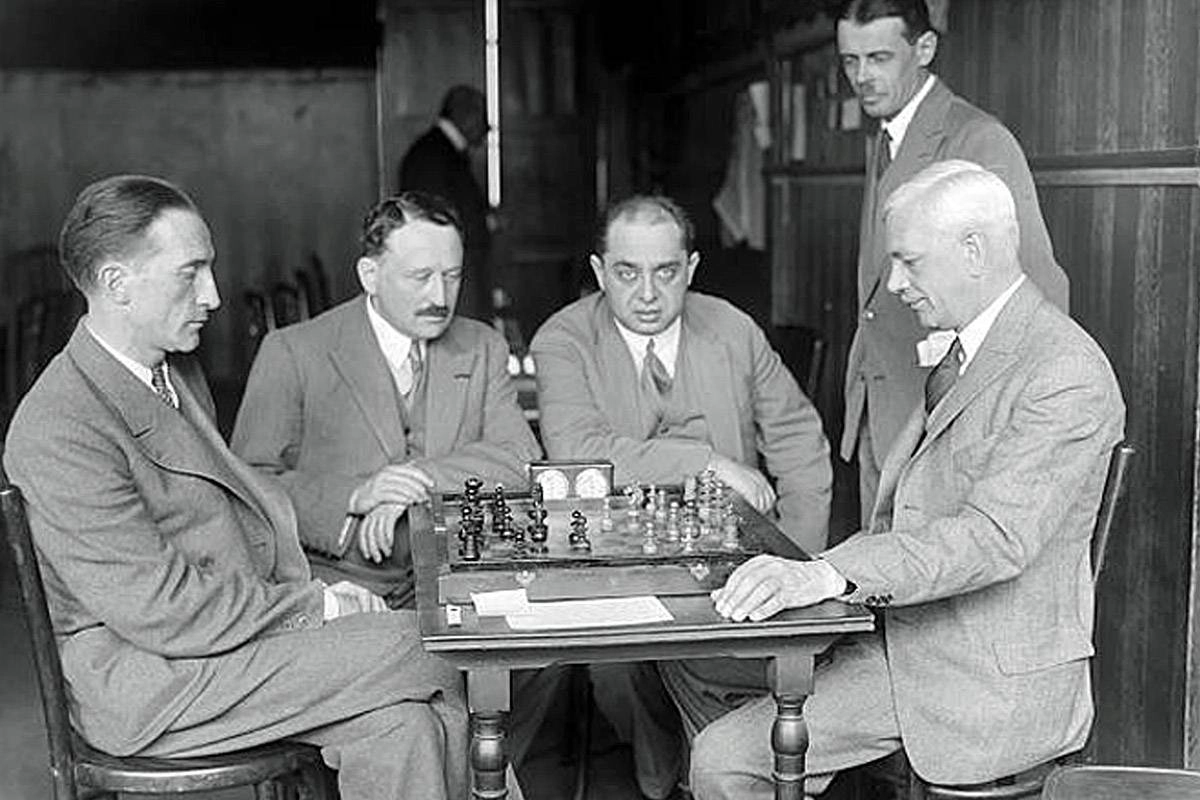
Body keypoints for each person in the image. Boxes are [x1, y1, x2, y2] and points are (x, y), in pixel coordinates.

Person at [4, 175, 469, 799]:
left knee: (403, 724)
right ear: (117, 284)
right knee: (430, 644)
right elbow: (161, 609)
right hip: (155, 680)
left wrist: (309, 599)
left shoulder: (174, 372)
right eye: (190, 273)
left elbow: (220, 535)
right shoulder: (59, 426)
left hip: (222, 646)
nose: (214, 295)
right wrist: (317, 608)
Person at [688, 161, 1125, 799]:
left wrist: (827, 575)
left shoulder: (1064, 371)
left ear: (973, 251)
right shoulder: (968, 348)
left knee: (725, 758)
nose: (894, 284)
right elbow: (910, 516)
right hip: (904, 638)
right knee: (704, 686)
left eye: (909, 262)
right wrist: (815, 577)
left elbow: (992, 539)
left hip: (979, 674)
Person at [231, 190, 556, 772]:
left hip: (462, 580)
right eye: (420, 277)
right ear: (370, 274)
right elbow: (249, 488)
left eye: (452, 276)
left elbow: (518, 457)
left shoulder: (481, 345)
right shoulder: (294, 352)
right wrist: (357, 496)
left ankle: (471, 776)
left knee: (544, 651)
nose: (440, 297)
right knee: (417, 719)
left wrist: (415, 478)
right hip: (347, 585)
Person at [530, 195, 832, 799]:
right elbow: (577, 450)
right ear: (598, 271)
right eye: (627, 273)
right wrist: (707, 462)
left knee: (738, 672)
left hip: (732, 568)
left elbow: (801, 445)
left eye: (665, 272)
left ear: (691, 268)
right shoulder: (562, 339)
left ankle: (711, 773)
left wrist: (796, 568)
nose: (647, 294)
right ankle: (677, 777)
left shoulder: (732, 329)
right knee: (624, 673)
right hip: (616, 572)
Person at [837, 0, 1070, 525]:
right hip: (883, 405)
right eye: (850, 60)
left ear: (924, 48)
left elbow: (1039, 290)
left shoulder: (977, 140)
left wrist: (993, 425)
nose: (862, 77)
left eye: (878, 58)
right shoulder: (888, 135)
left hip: (943, 425)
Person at [399, 85, 492, 321]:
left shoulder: (441, 151)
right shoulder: (432, 155)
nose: (487, 127)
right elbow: (432, 221)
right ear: (465, 116)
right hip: (446, 271)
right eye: (482, 117)